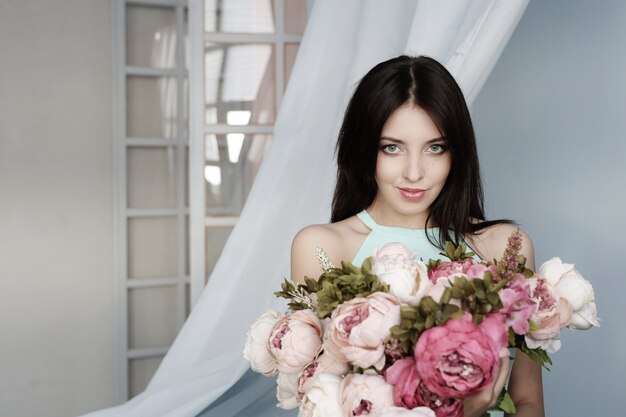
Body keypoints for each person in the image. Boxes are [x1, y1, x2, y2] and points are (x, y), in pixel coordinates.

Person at [291, 56, 545, 417]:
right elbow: (318, 404)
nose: (414, 172)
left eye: (435, 147)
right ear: (365, 149)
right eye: (391, 147)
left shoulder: (503, 247)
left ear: (457, 152)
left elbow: (528, 401)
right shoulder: (321, 248)